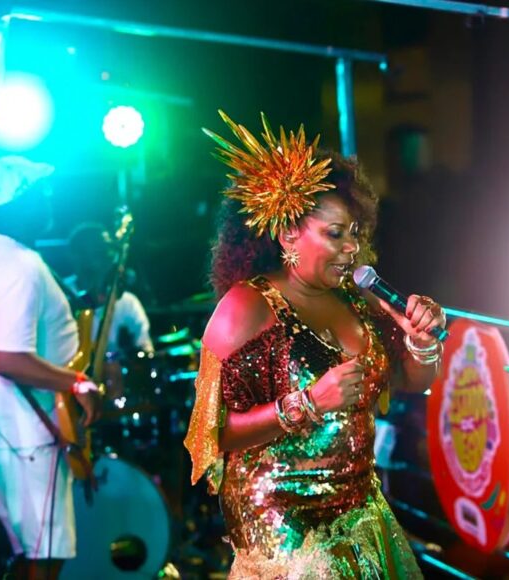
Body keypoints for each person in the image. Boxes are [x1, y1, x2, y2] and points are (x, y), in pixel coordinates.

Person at [184, 112, 446, 578]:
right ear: (288, 233)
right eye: (335, 234)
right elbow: (212, 433)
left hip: (359, 509)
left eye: (355, 233)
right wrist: (308, 403)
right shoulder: (247, 306)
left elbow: (410, 380)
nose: (351, 248)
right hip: (284, 523)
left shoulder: (356, 299)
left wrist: (422, 344)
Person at [0, 156, 101, 580]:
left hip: (4, 431)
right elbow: (9, 358)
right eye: (40, 193)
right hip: (27, 435)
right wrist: (77, 383)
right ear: (19, 204)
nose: (49, 200)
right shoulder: (19, 265)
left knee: (31, 555)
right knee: (43, 560)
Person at [65, 222, 154, 356]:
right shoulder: (61, 294)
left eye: (110, 249)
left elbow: (144, 348)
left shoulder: (128, 302)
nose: (110, 255)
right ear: (77, 256)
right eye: (99, 250)